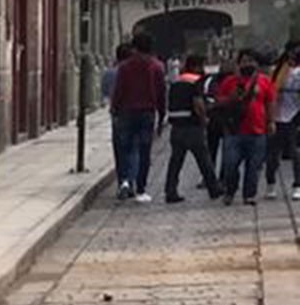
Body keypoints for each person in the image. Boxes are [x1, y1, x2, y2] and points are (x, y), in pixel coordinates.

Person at [108, 33, 166, 202]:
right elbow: (161, 93)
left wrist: (114, 108)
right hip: (147, 112)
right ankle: (141, 188)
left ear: (134, 47)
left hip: (126, 112)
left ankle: (125, 182)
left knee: (124, 148)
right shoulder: (157, 66)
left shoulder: (125, 67)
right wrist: (162, 114)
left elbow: (119, 90)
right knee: (144, 151)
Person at [216, 49, 276, 205]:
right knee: (230, 164)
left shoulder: (264, 82)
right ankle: (230, 190)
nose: (247, 64)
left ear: (256, 64)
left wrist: (271, 122)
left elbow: (270, 103)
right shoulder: (229, 82)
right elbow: (219, 102)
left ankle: (249, 195)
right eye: (244, 61)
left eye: (251, 61)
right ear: (238, 64)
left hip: (257, 130)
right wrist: (232, 98)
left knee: (254, 166)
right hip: (234, 130)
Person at [163, 53, 220, 203]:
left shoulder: (177, 80)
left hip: (176, 127)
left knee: (175, 162)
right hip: (192, 126)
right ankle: (214, 189)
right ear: (196, 66)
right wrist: (204, 118)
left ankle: (170, 191)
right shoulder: (196, 81)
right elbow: (198, 103)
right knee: (204, 160)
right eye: (201, 66)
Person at [266, 41, 300, 199]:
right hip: (277, 116)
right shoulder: (277, 71)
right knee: (273, 154)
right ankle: (270, 184)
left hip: (295, 116)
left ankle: (297, 185)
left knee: (296, 153)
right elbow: (270, 93)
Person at [103, 42, 133, 180]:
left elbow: (104, 93)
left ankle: (123, 180)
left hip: (117, 114)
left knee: (120, 148)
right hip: (134, 111)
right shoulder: (135, 71)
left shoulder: (109, 73)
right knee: (134, 148)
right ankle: (132, 180)